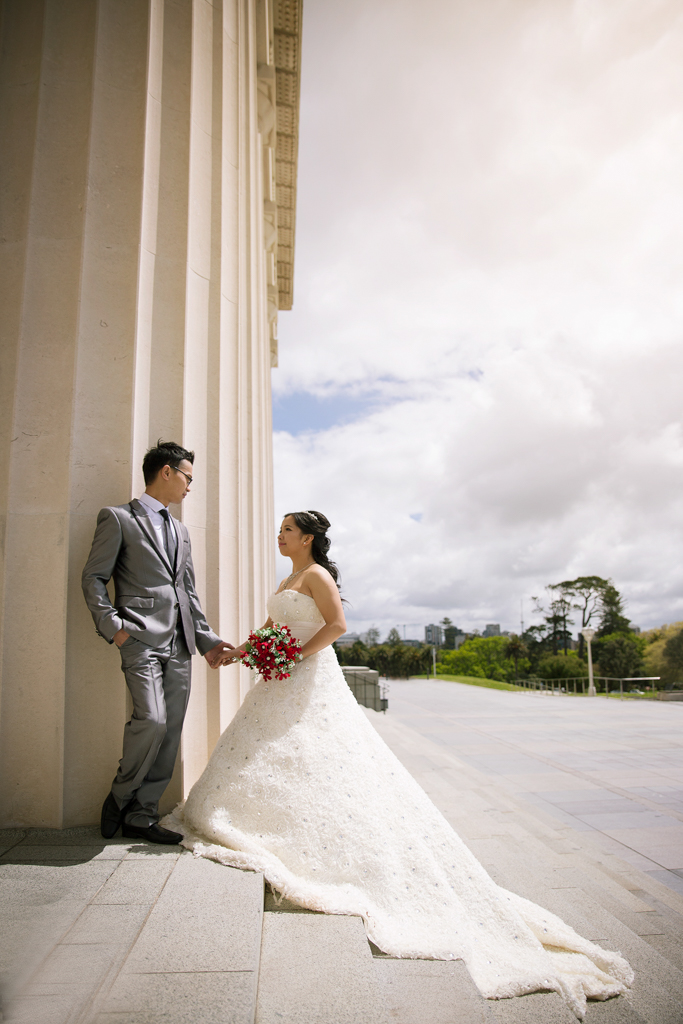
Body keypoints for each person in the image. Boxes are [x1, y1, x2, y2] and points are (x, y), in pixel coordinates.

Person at [164, 511, 633, 1018]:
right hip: (280, 678)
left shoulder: (318, 576)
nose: (279, 536)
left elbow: (337, 626)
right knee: (271, 750)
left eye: (286, 531)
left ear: (309, 539)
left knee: (322, 755)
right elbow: (276, 629)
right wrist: (246, 653)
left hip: (309, 677)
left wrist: (296, 656)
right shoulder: (287, 579)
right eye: (279, 530)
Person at [82, 441, 234, 845]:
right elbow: (93, 578)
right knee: (151, 720)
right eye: (187, 477)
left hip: (180, 642)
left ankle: (143, 814)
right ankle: (119, 797)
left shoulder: (181, 530)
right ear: (166, 472)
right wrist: (113, 626)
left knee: (171, 731)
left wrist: (207, 642)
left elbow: (188, 592)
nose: (190, 487)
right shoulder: (117, 519)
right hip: (139, 638)